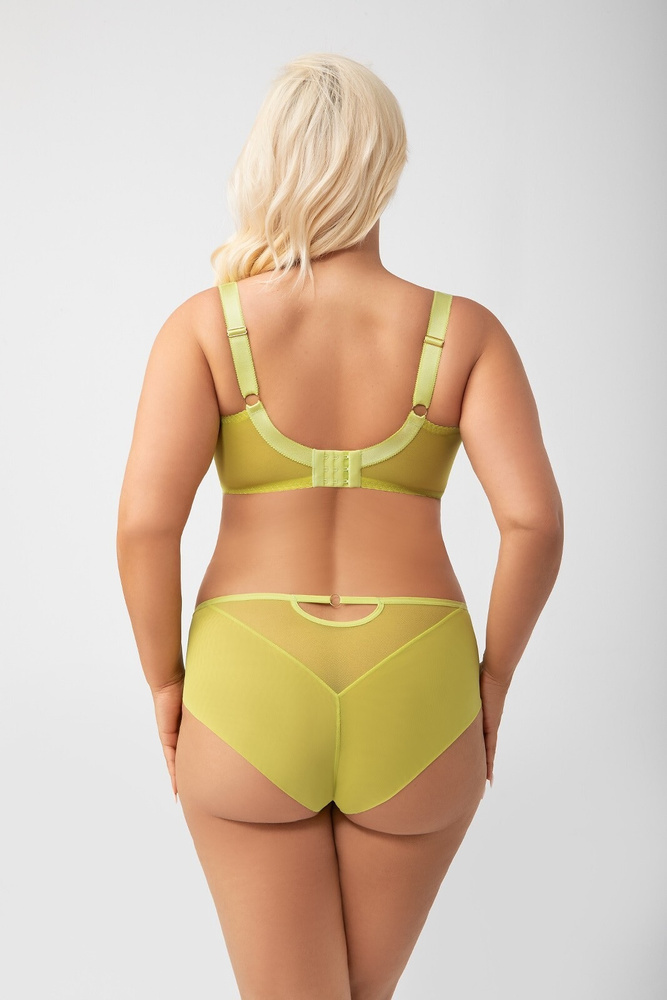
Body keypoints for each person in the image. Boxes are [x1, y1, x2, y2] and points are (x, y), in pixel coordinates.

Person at [116, 52, 563, 1000]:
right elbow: (532, 521)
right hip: (419, 679)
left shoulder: (205, 329)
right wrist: (492, 680)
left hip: (249, 678)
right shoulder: (464, 333)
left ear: (266, 163)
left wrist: (164, 681)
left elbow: (145, 527)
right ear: (385, 167)